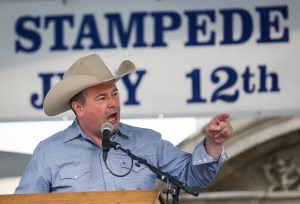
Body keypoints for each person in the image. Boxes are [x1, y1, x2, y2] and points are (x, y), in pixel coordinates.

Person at [15, 54, 233, 194]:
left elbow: (193, 177)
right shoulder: (50, 152)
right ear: (78, 108)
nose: (113, 103)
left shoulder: (147, 141)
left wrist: (213, 144)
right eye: (102, 98)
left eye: (115, 93)